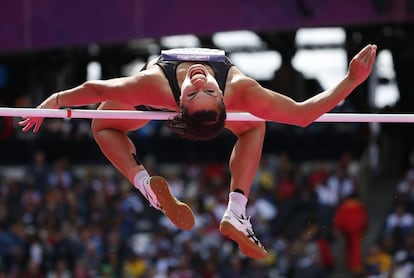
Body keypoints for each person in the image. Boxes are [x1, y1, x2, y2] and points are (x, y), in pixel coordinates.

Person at [19, 45, 377, 260]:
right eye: (197, 91)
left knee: (103, 125)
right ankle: (236, 212)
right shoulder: (238, 91)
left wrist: (58, 99)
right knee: (255, 125)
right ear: (220, 100)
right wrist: (351, 81)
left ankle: (147, 187)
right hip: (163, 105)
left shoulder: (161, 87)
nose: (200, 81)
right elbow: (301, 116)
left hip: (155, 103)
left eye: (196, 92)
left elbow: (96, 87)